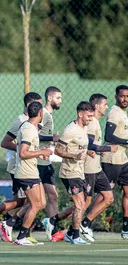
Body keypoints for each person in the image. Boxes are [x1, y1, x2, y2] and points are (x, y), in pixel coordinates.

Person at [0, 92, 42, 242]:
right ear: (29, 105)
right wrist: (23, 150)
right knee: (23, 201)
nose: (40, 108)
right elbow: (5, 142)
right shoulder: (21, 121)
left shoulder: (32, 122)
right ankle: (0, 222)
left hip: (29, 165)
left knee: (25, 201)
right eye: (37, 104)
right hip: (18, 167)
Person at [43, 101, 95, 245]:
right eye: (89, 116)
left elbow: (77, 147)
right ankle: (75, 236)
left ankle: (53, 221)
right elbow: (58, 150)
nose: (91, 119)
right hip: (69, 172)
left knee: (81, 205)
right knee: (79, 205)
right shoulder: (70, 130)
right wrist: (75, 156)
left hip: (79, 172)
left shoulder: (83, 128)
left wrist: (87, 152)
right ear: (80, 114)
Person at [13, 101, 53, 245]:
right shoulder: (29, 129)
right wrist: (42, 151)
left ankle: (24, 232)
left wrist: (39, 154)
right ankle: (21, 236)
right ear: (40, 114)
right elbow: (23, 153)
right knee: (35, 205)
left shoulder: (31, 127)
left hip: (32, 171)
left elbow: (28, 151)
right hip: (26, 173)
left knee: (41, 203)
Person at [80, 94, 117, 242]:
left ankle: (85, 223)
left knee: (108, 197)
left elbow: (91, 146)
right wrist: (107, 148)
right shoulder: (92, 123)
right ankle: (72, 229)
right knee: (84, 202)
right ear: (97, 106)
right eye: (105, 104)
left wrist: (99, 149)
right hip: (88, 169)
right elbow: (88, 144)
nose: (107, 107)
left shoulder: (95, 122)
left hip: (97, 168)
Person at [101, 85, 128, 239]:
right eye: (122, 96)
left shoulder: (123, 113)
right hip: (111, 159)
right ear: (116, 97)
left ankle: (125, 228)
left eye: (127, 97)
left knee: (127, 191)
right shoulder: (114, 112)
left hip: (122, 158)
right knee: (105, 195)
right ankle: (84, 224)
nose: (125, 99)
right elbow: (109, 137)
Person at [38, 87, 64, 241]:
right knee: (31, 202)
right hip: (38, 162)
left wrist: (51, 139)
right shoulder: (44, 114)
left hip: (45, 161)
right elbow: (34, 134)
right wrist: (52, 139)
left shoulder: (49, 115)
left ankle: (54, 230)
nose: (60, 101)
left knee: (53, 195)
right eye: (58, 98)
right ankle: (8, 221)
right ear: (49, 98)